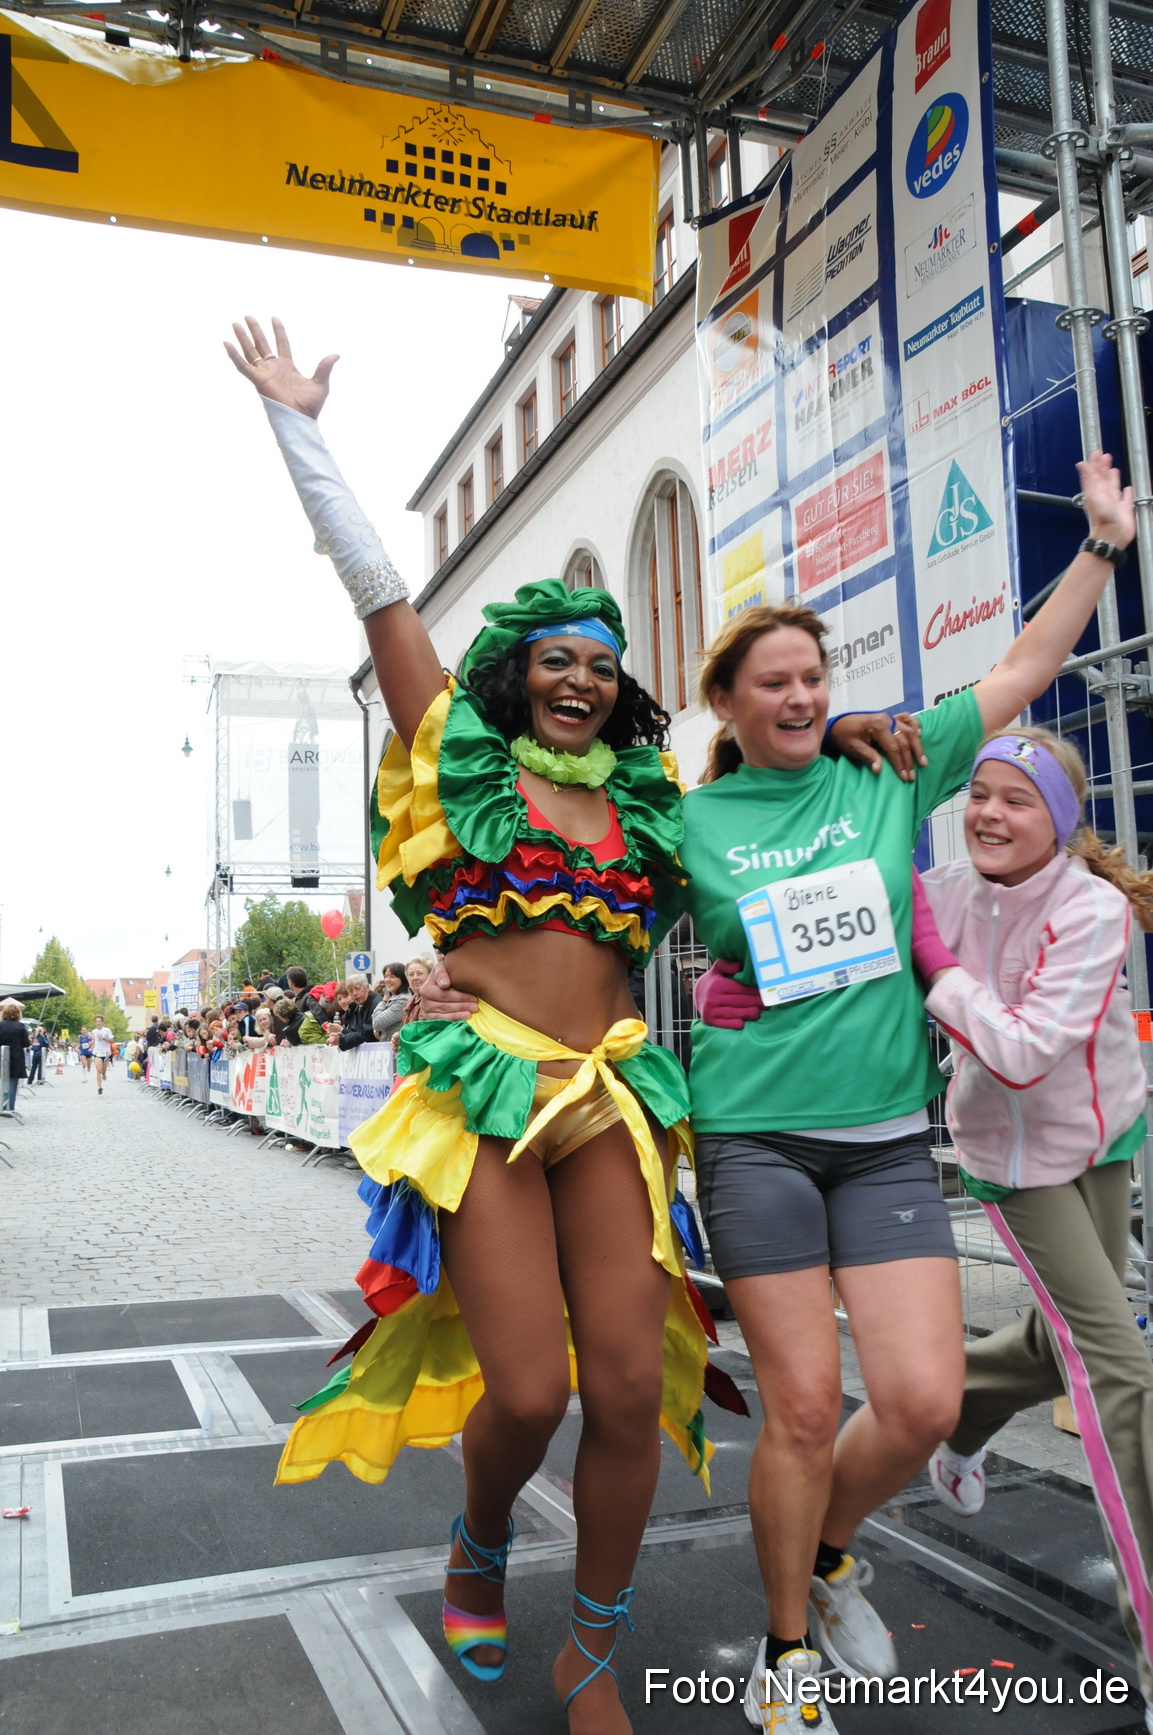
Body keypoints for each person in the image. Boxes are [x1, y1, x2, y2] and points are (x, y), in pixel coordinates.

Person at [225, 315, 921, 1732]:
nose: (580, 676)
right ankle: (480, 1532)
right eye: (554, 657)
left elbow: (766, 772)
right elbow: (377, 585)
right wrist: (299, 424)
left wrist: (840, 731)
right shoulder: (459, 756)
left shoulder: (656, 805)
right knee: (529, 1386)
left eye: (600, 664)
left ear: (623, 689)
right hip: (486, 1089)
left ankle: (590, 1649)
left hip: (609, 1093)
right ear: (514, 674)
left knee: (623, 1382)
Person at [684, 454, 1135, 1732]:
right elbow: (596, 928)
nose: (800, 695)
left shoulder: (885, 767)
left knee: (927, 1399)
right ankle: (786, 1658)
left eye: (814, 679)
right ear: (726, 700)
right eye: (772, 683)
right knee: (808, 1406)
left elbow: (1022, 673)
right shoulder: (693, 821)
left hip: (885, 1140)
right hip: (755, 1132)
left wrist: (1100, 546)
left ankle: (823, 1549)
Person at [904, 725, 1153, 1725]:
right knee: (1119, 1369)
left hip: (1099, 1136)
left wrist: (935, 969)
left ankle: (953, 1410)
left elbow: (1031, 1047)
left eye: (1016, 799)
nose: (989, 814)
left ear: (1058, 818)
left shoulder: (1090, 906)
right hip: (1011, 1164)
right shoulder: (940, 893)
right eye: (979, 796)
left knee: (1066, 1341)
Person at [326, 974, 379, 1050]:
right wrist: (340, 1036)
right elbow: (355, 1032)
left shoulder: (376, 1004)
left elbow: (366, 1034)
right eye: (351, 991)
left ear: (367, 987)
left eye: (357, 989)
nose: (355, 993)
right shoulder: (358, 1006)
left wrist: (341, 1038)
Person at [0, 1000, 29, 1112]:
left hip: (1, 1057)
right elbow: (26, 1043)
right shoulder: (20, 1026)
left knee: (2, 1083)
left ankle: (2, 1106)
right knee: (12, 1084)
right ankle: (10, 1108)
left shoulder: (0, 1026)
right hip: (16, 1058)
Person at [371, 963, 411, 1041]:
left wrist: (384, 1001)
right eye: (386, 976)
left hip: (397, 1048)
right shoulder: (393, 997)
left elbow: (377, 1023)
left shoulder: (403, 1000)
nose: (388, 980)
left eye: (392, 977)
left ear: (403, 979)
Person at [91, 1017, 116, 1095]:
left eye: (99, 1021)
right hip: (97, 1052)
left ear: (102, 1022)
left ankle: (104, 1074)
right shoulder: (94, 1031)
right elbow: (94, 1041)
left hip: (106, 1053)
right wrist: (91, 1045)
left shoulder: (107, 1030)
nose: (98, 1023)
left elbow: (112, 1040)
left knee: (103, 1071)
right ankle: (99, 1087)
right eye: (96, 1021)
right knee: (98, 1070)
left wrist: (104, 1038)